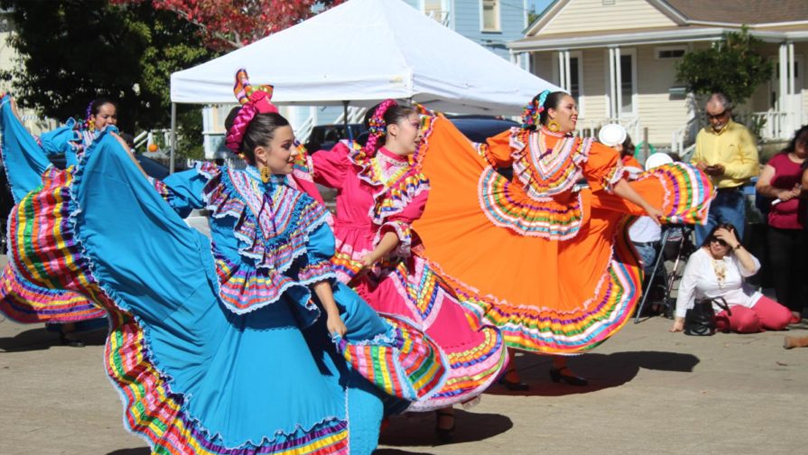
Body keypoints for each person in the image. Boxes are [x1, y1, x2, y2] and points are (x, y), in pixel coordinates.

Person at [3, 69, 448, 454]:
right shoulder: (215, 182)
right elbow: (160, 203)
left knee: (314, 393)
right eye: (288, 145)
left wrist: (332, 311)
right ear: (260, 153)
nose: (297, 153)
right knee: (243, 404)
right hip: (224, 306)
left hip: (283, 312)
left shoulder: (299, 203)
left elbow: (314, 266)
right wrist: (121, 177)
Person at [410, 91, 714, 388]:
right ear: (550, 112)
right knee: (513, 293)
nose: (575, 112)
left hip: (558, 229)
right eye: (569, 106)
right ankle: (511, 367)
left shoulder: (583, 148)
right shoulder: (517, 139)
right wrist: (443, 143)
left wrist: (647, 205)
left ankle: (560, 363)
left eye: (575, 107)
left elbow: (613, 183)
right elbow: (479, 157)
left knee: (553, 294)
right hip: (514, 226)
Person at [306, 100, 507, 436]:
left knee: (420, 334)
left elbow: (399, 227)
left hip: (389, 266)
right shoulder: (353, 162)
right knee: (338, 334)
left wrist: (369, 259)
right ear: (392, 128)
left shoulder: (416, 180)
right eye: (415, 124)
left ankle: (441, 404)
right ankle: (356, 409)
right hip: (341, 260)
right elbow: (297, 165)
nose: (421, 131)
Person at [0, 93, 106, 347]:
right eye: (105, 116)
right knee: (63, 265)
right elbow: (33, 145)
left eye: (113, 116)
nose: (110, 120)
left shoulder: (112, 142)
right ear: (92, 117)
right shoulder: (72, 136)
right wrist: (12, 117)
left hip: (97, 213)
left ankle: (86, 321)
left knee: (93, 268)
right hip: (67, 210)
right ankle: (67, 327)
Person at [670, 224, 792, 333]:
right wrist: (679, 320)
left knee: (784, 317)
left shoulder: (736, 253)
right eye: (714, 239)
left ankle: (752, 319)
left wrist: (735, 244)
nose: (717, 244)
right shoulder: (698, 257)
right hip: (719, 307)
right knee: (747, 320)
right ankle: (726, 322)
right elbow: (686, 288)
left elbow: (752, 269)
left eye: (723, 242)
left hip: (747, 298)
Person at [691, 92, 760, 245]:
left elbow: (752, 167)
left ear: (728, 111)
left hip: (731, 194)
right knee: (704, 246)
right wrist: (698, 166)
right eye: (710, 116)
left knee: (731, 244)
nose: (715, 120)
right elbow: (695, 160)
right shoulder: (703, 134)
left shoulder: (742, 133)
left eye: (719, 115)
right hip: (707, 195)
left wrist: (725, 170)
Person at [756, 125, 808, 323]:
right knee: (780, 267)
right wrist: (778, 192)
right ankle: (783, 307)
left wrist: (802, 192)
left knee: (801, 267)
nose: (804, 143)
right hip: (778, 224)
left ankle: (797, 308)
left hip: (803, 225)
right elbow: (761, 185)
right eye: (801, 138)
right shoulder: (779, 159)